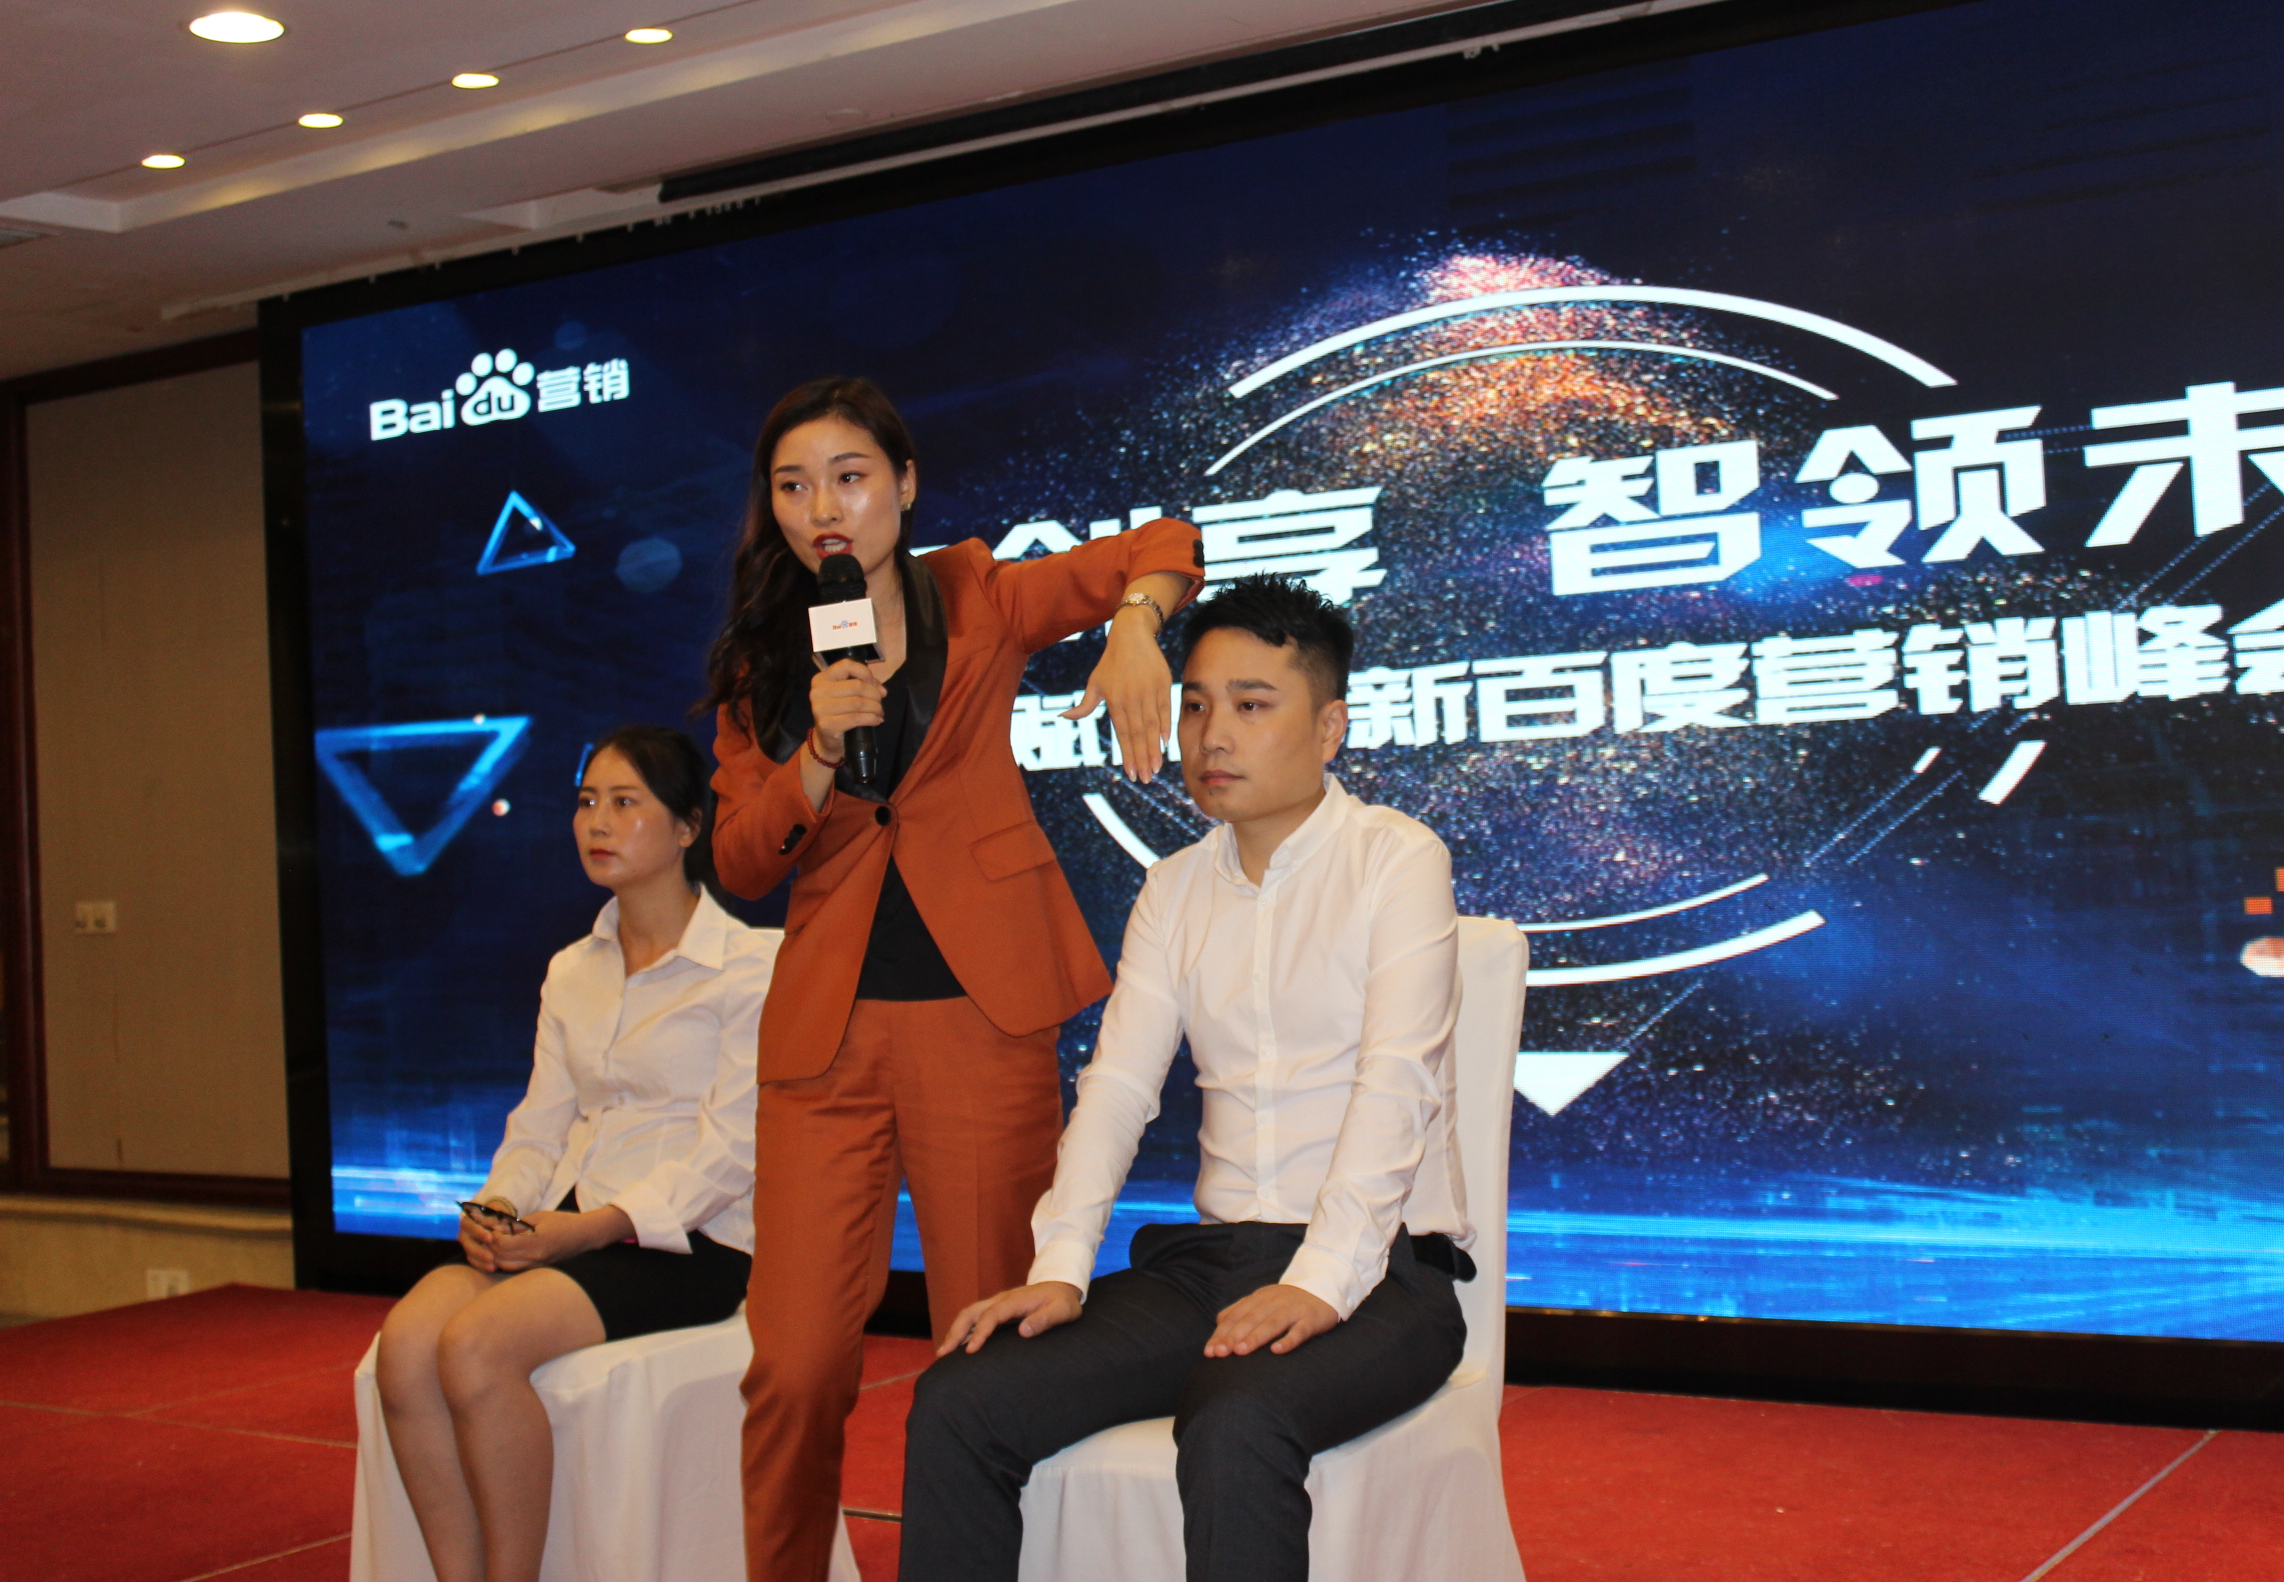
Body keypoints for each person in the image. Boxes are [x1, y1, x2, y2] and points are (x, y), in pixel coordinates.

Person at [706, 376, 1202, 1582]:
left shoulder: (976, 592)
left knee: (984, 1350)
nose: (824, 507)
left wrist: (1136, 626)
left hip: (979, 1022)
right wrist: (818, 747)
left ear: (905, 484)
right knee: (793, 1367)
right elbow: (740, 861)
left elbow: (1164, 543)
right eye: (794, 486)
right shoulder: (761, 664)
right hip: (824, 1045)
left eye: (850, 477)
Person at [902, 574, 1474, 1582]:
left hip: (1384, 1272)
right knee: (961, 1397)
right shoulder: (1173, 888)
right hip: (1211, 1265)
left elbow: (1397, 1084)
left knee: (1237, 1414)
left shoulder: (1395, 858)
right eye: (1198, 705)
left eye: (1252, 706)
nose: (1213, 736)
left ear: (1330, 726)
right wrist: (1060, 1265)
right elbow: (1118, 1089)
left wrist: (1319, 1283)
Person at [370, 725, 778, 1582]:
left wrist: (593, 1228)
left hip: (688, 1240)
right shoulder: (571, 969)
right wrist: (497, 1207)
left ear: (688, 827)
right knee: (406, 1343)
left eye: (625, 802)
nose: (597, 821)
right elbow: (539, 1126)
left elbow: (731, 1155)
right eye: (588, 801)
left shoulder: (750, 965)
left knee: (474, 1347)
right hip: (566, 1222)